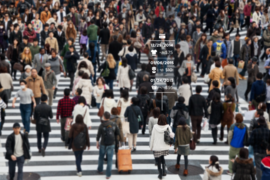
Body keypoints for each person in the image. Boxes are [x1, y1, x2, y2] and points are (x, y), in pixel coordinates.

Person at [96, 111, 120, 179]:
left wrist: (97, 142)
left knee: (101, 157)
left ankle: (100, 170)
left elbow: (98, 135)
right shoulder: (114, 124)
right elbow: (118, 133)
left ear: (103, 117)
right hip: (111, 143)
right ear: (110, 117)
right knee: (110, 159)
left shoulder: (101, 125)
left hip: (103, 143)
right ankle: (108, 174)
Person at [150, 114, 173, 179]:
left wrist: (151, 146)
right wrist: (170, 143)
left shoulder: (155, 127)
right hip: (165, 146)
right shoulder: (167, 126)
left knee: (159, 160)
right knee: (162, 157)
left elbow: (152, 138)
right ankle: (164, 171)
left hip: (157, 147)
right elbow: (171, 135)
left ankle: (160, 174)